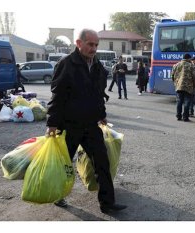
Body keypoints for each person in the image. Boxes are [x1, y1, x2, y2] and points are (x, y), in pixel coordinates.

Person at [46, 29, 127, 213]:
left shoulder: (97, 66)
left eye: (96, 45)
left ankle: (107, 204)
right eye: (90, 44)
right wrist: (52, 123)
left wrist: (102, 114)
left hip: (91, 125)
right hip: (69, 126)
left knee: (102, 162)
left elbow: (98, 95)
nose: (93, 48)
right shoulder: (66, 64)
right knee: (64, 165)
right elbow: (57, 95)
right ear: (78, 43)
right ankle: (58, 195)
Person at [171, 53, 195, 122]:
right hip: (188, 87)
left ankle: (178, 116)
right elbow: (194, 77)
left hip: (179, 86)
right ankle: (185, 117)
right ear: (188, 58)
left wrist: (176, 83)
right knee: (187, 102)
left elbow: (172, 75)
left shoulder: (176, 65)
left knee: (179, 101)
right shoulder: (191, 66)